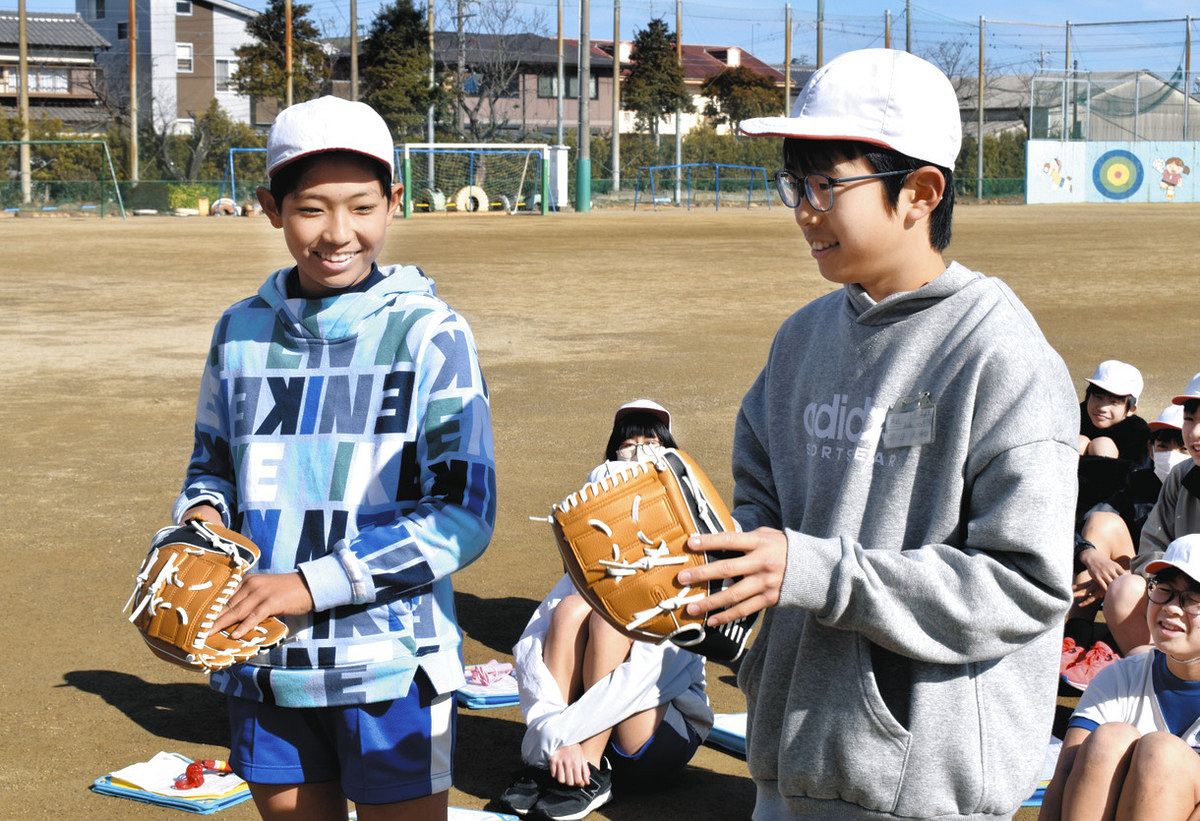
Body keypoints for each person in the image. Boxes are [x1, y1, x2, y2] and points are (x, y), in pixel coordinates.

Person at [680, 48, 1079, 818]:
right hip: (789, 753)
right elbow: (759, 496)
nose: (803, 209)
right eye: (794, 183)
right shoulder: (801, 340)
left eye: (827, 185)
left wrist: (812, 570)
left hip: (920, 780)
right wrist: (715, 566)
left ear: (920, 193)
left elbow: (1023, 585)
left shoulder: (1000, 354)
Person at [171, 96, 496, 820]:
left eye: (361, 206)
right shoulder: (241, 331)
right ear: (270, 208)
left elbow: (463, 515)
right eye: (312, 209)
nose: (338, 233)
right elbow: (213, 467)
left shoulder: (429, 332)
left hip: (390, 664)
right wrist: (194, 543)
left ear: (394, 202)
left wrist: (310, 585)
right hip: (262, 662)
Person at [500, 400, 713, 820]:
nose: (636, 450)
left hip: (653, 737)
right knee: (570, 611)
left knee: (610, 622)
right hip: (573, 743)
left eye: (650, 442)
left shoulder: (688, 576)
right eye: (626, 444)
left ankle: (590, 772)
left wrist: (563, 737)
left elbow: (644, 679)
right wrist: (552, 744)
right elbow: (528, 653)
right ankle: (549, 769)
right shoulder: (583, 576)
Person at [1039, 534, 1200, 821]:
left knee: (1162, 753)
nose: (1172, 607)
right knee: (1109, 739)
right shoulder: (1120, 677)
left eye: (1195, 598)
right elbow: (1062, 778)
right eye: (1164, 588)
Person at [1104, 373, 1200, 656]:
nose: (1194, 434)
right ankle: (1164, 677)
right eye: (1190, 419)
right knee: (1125, 590)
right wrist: (1177, 590)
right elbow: (1151, 548)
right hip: (1183, 597)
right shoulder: (1181, 476)